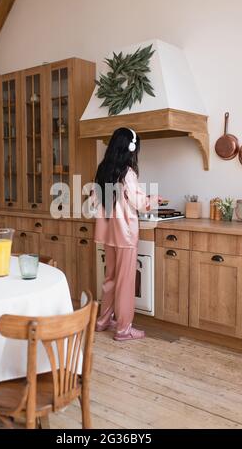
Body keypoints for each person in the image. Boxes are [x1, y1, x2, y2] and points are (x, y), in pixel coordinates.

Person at [93, 127, 161, 341]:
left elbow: (98, 202)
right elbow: (139, 203)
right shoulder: (128, 173)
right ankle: (123, 329)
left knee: (110, 278)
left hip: (108, 234)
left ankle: (103, 321)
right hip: (125, 235)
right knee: (125, 282)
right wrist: (153, 199)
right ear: (130, 148)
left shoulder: (103, 169)